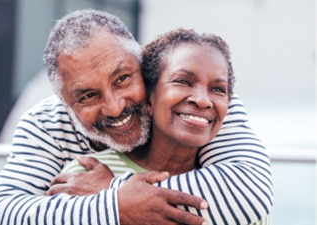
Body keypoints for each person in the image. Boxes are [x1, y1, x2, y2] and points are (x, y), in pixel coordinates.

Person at [0, 9, 273, 225]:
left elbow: (246, 193)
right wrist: (115, 208)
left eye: (122, 78)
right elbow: (1, 216)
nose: (114, 107)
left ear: (143, 64)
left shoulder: (201, 105)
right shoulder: (46, 124)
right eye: (87, 96)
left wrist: (113, 192)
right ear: (66, 104)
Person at [61, 28, 270, 225]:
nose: (203, 100)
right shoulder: (84, 176)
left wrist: (112, 193)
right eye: (183, 81)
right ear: (149, 96)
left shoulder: (236, 193)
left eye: (218, 89)